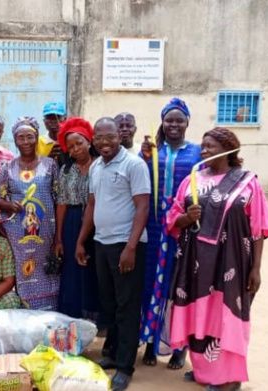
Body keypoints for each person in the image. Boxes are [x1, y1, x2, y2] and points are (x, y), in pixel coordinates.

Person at [167, 128, 268, 391]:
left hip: (232, 262)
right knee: (200, 313)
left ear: (228, 149)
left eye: (211, 146)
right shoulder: (192, 180)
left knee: (226, 315)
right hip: (195, 262)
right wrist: (187, 218)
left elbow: (258, 228)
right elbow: (173, 219)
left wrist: (256, 268)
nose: (204, 151)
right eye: (203, 146)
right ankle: (205, 370)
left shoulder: (247, 183)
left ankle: (230, 378)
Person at [76, 117, 150, 391]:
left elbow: (142, 207)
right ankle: (114, 353)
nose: (104, 142)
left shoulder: (134, 164)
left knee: (127, 306)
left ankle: (125, 366)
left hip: (126, 245)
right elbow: (92, 205)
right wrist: (81, 241)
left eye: (110, 137)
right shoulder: (96, 166)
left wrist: (131, 247)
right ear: (93, 139)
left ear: (120, 136)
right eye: (99, 138)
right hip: (101, 243)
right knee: (110, 303)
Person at [138, 98, 202, 367]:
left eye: (179, 120)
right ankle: (151, 341)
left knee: (178, 286)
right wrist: (144, 155)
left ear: (187, 123)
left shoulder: (198, 152)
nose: (174, 124)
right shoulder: (153, 151)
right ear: (162, 123)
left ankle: (178, 346)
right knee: (152, 282)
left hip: (183, 227)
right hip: (154, 226)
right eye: (169, 120)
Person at [0, 117, 59, 310]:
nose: (25, 141)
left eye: (29, 137)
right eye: (20, 137)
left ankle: (50, 310)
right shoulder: (7, 168)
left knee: (48, 267)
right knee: (23, 267)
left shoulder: (50, 165)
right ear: (15, 141)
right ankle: (26, 308)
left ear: (37, 137)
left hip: (47, 230)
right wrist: (8, 205)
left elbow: (59, 198)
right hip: (18, 232)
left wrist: (58, 234)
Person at [54, 117, 100, 321]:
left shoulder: (101, 165)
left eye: (79, 143)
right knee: (73, 269)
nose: (76, 149)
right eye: (71, 147)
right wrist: (58, 237)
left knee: (94, 268)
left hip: (98, 221)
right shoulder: (66, 170)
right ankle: (72, 315)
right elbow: (62, 203)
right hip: (72, 222)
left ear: (89, 141)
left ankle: (95, 316)